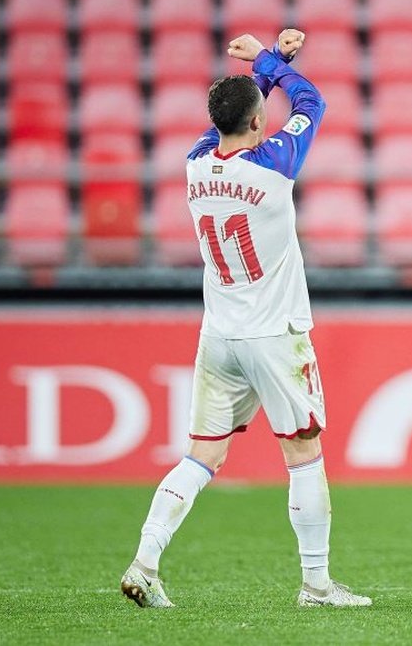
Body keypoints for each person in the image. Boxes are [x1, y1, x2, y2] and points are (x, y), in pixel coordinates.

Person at [121, 30, 371, 608]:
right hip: (276, 335)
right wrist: (267, 60)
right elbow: (312, 104)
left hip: (220, 334)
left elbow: (233, 115)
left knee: (202, 455)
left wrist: (269, 66)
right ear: (260, 122)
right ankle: (315, 585)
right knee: (303, 455)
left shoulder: (196, 163)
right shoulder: (274, 163)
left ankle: (145, 562)